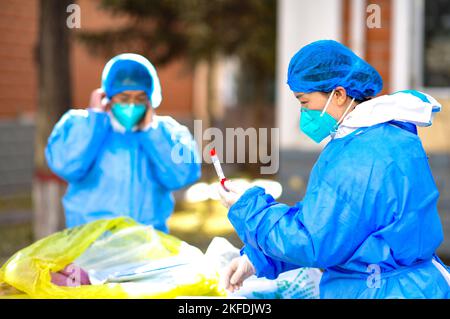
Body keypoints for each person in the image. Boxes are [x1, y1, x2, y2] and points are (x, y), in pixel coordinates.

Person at [218, 40, 450, 298]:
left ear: (338, 95)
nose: (303, 113)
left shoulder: (359, 155)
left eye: (304, 102)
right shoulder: (391, 135)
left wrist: (248, 209)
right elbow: (339, 229)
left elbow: (314, 241)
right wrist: (258, 259)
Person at [46, 53, 201, 233]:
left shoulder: (167, 133)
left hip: (148, 244)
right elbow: (65, 166)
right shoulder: (81, 125)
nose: (132, 105)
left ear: (150, 100)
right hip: (90, 244)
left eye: (140, 98)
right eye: (124, 98)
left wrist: (152, 132)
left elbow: (181, 176)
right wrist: (95, 122)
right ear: (108, 96)